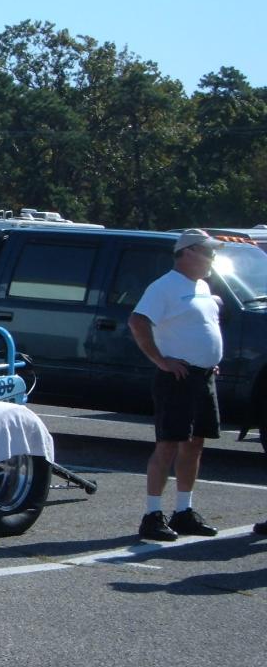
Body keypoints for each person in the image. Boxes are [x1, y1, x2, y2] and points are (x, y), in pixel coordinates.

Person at [127, 228, 225, 542]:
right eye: (207, 251)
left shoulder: (203, 287)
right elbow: (137, 321)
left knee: (195, 443)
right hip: (176, 379)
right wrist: (161, 361)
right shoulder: (164, 286)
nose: (212, 257)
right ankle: (152, 515)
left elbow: (199, 327)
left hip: (203, 377)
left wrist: (208, 358)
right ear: (188, 252)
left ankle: (183, 511)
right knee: (168, 444)